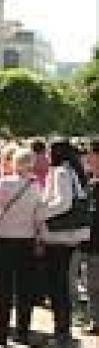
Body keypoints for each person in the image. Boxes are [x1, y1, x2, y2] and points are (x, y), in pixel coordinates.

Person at [0, 148, 43, 346]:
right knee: (24, 288)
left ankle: (1, 331)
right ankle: (22, 331)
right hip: (26, 240)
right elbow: (38, 217)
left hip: (3, 239)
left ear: (15, 163)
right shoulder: (36, 187)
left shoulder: (3, 183)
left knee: (4, 288)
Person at [38, 139, 91, 348]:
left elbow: (62, 202)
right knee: (60, 284)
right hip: (69, 236)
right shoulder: (73, 172)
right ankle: (62, 330)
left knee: (57, 285)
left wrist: (40, 213)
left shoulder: (60, 172)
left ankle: (61, 332)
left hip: (58, 236)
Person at [82, 139, 99, 335]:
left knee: (93, 284)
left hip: (95, 242)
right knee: (92, 284)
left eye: (90, 154)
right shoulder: (89, 182)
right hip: (91, 243)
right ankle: (95, 321)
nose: (87, 158)